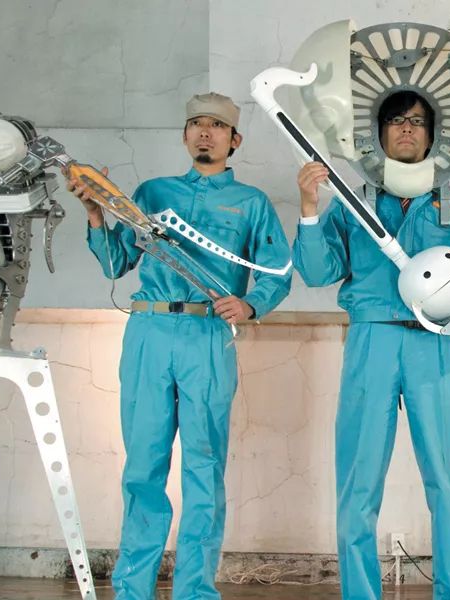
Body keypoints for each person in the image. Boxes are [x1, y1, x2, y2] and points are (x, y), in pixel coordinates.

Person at [67, 92, 292, 599]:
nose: (205, 132)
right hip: (148, 333)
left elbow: (278, 271)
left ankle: (195, 591)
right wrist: (95, 214)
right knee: (143, 466)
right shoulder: (151, 193)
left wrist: (251, 304)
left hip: (206, 336)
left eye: (217, 125)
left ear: (235, 140)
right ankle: (132, 590)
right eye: (196, 124)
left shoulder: (251, 203)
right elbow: (115, 264)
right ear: (185, 135)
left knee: (203, 468)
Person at [293, 90, 450, 600]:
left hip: (437, 346)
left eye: (417, 121)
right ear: (379, 133)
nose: (406, 129)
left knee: (448, 484)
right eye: (395, 120)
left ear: (432, 135)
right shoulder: (351, 204)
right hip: (372, 341)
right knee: (358, 484)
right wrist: (309, 207)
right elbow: (317, 272)